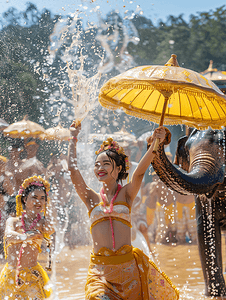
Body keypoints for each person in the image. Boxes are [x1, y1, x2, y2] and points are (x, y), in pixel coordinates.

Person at [68, 122, 179, 300]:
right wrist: (73, 138)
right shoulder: (91, 199)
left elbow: (139, 173)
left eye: (106, 164)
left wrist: (155, 143)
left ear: (119, 168)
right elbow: (73, 172)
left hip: (128, 273)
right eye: (97, 165)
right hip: (100, 273)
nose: (100, 168)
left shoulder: (126, 194)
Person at [0, 175, 55, 299]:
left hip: (33, 276)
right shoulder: (13, 221)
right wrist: (26, 236)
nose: (38, 201)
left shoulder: (42, 224)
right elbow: (8, 236)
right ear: (24, 199)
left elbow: (52, 228)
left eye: (42, 198)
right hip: (11, 275)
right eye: (34, 197)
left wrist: (51, 204)